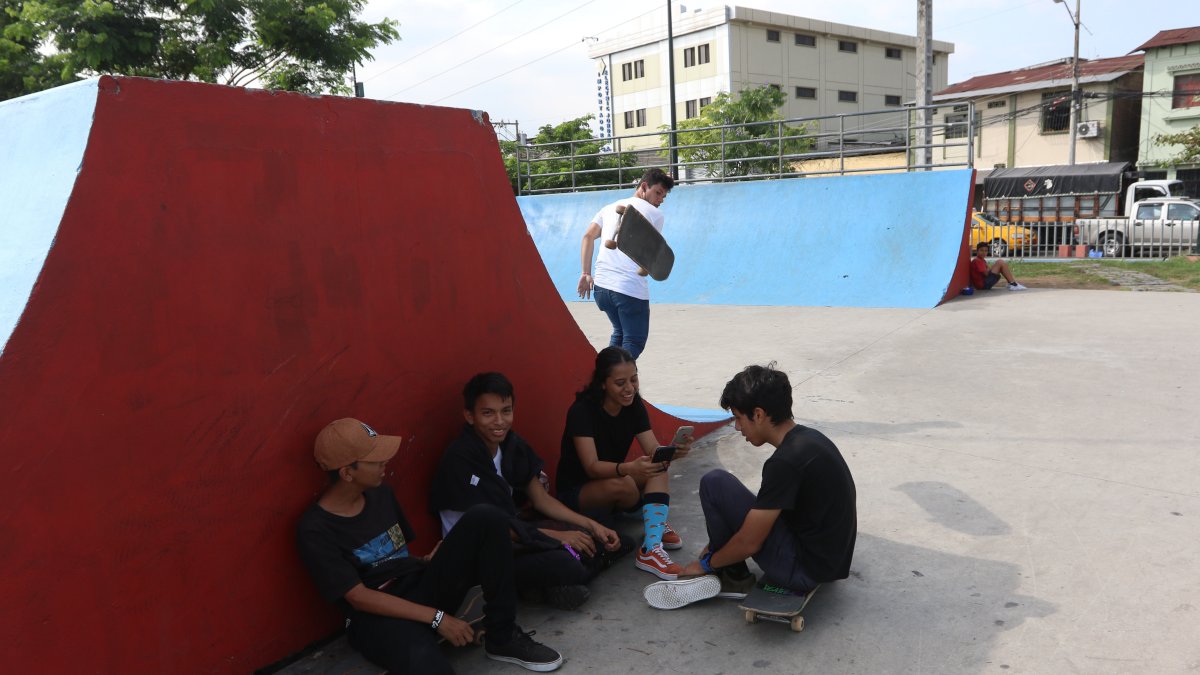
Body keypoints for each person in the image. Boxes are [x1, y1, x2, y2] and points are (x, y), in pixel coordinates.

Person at [295, 418, 563, 674]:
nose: (385, 463)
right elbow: (359, 598)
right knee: (430, 667)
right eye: (375, 460)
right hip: (376, 616)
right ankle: (427, 635)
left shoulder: (381, 494)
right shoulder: (316, 528)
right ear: (347, 473)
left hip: (418, 584)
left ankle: (503, 637)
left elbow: (396, 559)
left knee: (486, 516)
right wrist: (437, 618)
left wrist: (426, 562)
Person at [641, 365, 857, 611]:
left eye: (738, 418)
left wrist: (706, 564)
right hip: (831, 562)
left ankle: (732, 577)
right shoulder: (811, 439)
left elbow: (749, 543)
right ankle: (725, 562)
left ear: (758, 414)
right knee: (738, 499)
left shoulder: (784, 463)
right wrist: (715, 547)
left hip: (804, 571)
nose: (736, 427)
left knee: (715, 483)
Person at [430, 372, 627, 610]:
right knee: (567, 563)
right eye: (488, 413)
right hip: (482, 554)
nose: (499, 421)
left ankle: (549, 584)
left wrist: (590, 526)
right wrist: (557, 536)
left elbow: (541, 499)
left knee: (609, 530)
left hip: (518, 532)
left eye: (506, 411)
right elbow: (496, 528)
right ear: (469, 416)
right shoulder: (459, 459)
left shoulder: (511, 444)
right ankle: (561, 577)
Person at [557, 346, 694, 580]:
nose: (629, 388)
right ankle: (652, 517)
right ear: (603, 383)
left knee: (657, 466)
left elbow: (653, 450)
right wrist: (628, 469)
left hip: (614, 478)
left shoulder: (634, 405)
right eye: (620, 383)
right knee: (625, 487)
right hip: (578, 490)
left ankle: (651, 547)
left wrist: (673, 453)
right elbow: (591, 466)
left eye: (634, 379)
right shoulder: (582, 411)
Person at [577, 168, 676, 359]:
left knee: (619, 334)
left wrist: (584, 273)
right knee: (634, 341)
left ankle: (603, 377)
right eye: (657, 193)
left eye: (663, 196)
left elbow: (588, 236)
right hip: (628, 290)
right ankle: (613, 383)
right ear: (644, 186)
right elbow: (649, 253)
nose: (660, 199)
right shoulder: (655, 215)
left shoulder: (608, 208)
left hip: (602, 289)